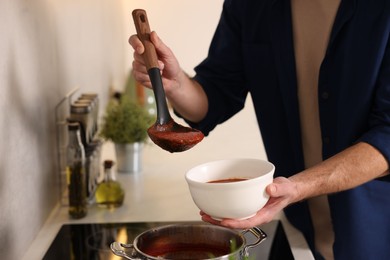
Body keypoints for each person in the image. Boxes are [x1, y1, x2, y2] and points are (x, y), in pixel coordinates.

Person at [129, 0, 390, 259]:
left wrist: (298, 187)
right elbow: (216, 94)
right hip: (300, 229)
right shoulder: (249, 6)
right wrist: (175, 84)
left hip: (376, 232)